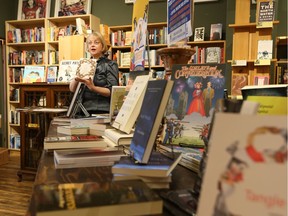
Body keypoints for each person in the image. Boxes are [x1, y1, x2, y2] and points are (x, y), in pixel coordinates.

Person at [69, 32, 119, 115]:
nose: (92, 45)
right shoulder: (83, 63)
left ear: (102, 46)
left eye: (96, 42)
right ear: (87, 47)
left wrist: (93, 88)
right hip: (81, 110)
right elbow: (72, 89)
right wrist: (76, 78)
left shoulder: (110, 64)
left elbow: (113, 91)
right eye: (90, 43)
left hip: (101, 110)